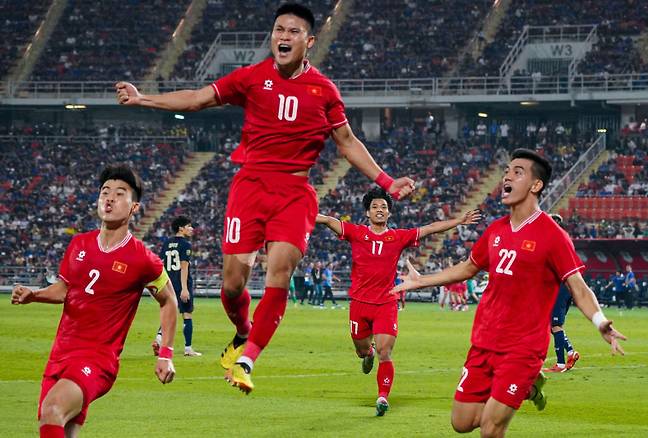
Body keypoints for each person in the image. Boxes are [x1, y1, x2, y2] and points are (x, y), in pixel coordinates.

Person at [115, 3, 414, 395]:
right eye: (278, 30)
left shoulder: (323, 91)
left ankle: (247, 358)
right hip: (250, 187)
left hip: (294, 193)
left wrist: (388, 182)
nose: (283, 37)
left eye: (292, 32)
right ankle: (243, 331)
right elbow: (198, 98)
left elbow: (347, 143)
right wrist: (143, 99)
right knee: (233, 285)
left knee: (280, 272)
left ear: (309, 42)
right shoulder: (252, 78)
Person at [393, 149, 626, 437]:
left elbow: (578, 286)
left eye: (517, 171)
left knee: (490, 429)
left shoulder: (553, 235)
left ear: (535, 185)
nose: (507, 175)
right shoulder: (496, 230)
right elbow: (468, 268)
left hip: (523, 347)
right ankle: (530, 387)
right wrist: (421, 280)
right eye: (506, 170)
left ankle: (525, 378)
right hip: (484, 340)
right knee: (461, 422)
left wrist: (600, 322)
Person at [11, 164, 177, 438]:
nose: (109, 198)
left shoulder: (142, 259)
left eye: (119, 193)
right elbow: (65, 290)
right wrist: (34, 295)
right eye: (105, 192)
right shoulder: (78, 244)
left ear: (134, 207)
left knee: (52, 409)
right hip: (59, 355)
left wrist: (166, 355)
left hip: (97, 359)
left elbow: (168, 300)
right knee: (59, 427)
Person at [316, 187, 481, 416]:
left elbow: (430, 228)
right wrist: (302, 213)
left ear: (389, 213)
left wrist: (458, 221)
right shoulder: (356, 233)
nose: (380, 210)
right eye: (375, 206)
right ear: (367, 212)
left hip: (386, 303)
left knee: (386, 351)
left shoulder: (398, 237)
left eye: (384, 207)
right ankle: (368, 355)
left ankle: (382, 396)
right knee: (363, 351)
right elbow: (327, 220)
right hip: (359, 304)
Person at [153, 216, 202, 357]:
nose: (192, 229)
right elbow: (184, 267)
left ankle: (158, 339)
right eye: (189, 226)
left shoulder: (167, 243)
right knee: (187, 314)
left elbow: (160, 263)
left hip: (168, 283)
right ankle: (188, 349)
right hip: (181, 284)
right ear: (181, 228)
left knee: (169, 313)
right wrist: (185, 288)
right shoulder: (186, 245)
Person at [544, 214, 579, 373]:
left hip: (561, 286)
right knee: (553, 325)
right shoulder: (564, 239)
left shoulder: (555, 241)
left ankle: (560, 364)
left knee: (555, 325)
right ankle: (571, 352)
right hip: (564, 286)